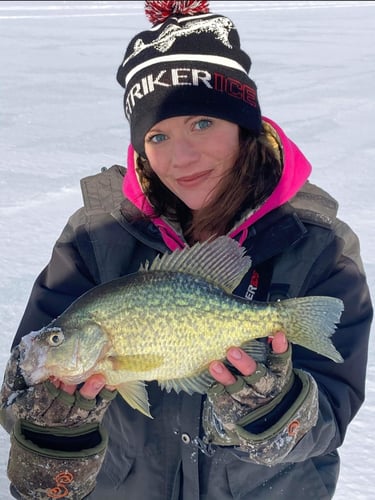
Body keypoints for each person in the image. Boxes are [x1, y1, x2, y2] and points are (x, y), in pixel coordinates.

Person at [0, 1, 372, 499]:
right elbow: (32, 452)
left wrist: (276, 411)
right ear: (139, 149)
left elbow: (332, 413)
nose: (182, 157)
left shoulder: (319, 243)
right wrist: (54, 435)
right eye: (158, 135)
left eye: (203, 123)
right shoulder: (94, 239)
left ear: (244, 124)